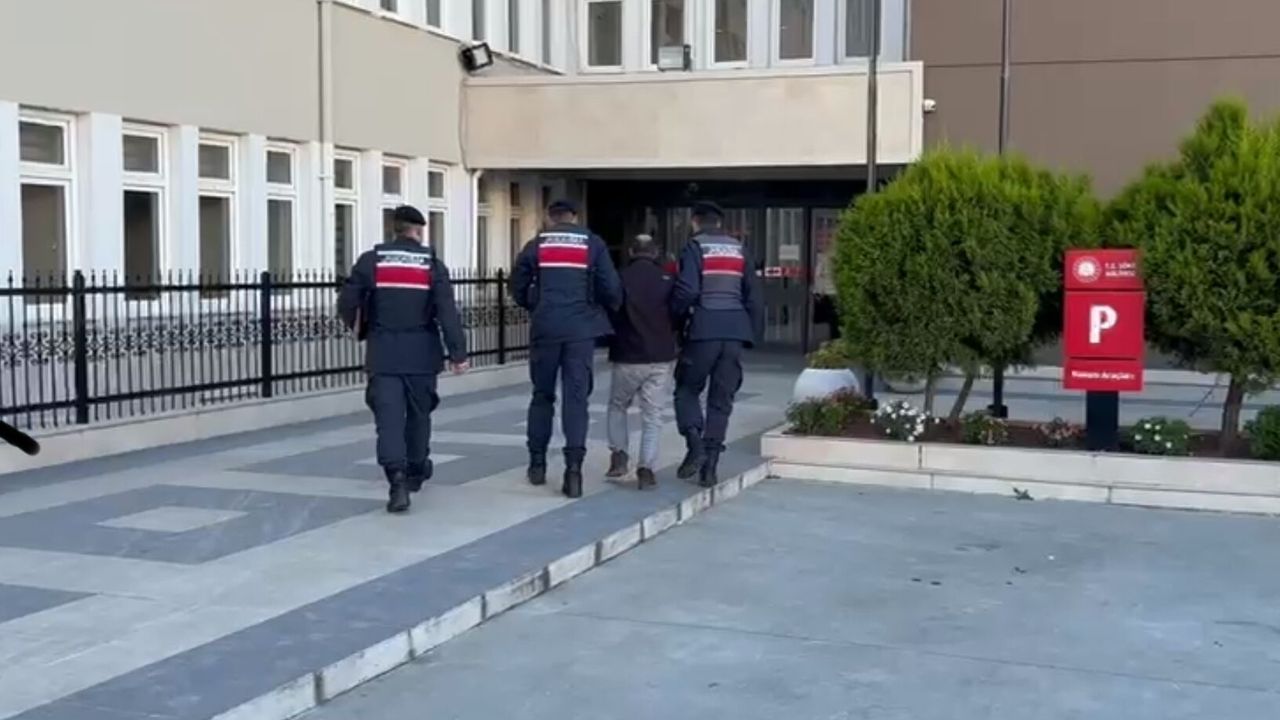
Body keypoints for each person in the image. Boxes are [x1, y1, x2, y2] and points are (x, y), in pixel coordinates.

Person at [339, 205, 468, 514]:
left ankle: (396, 480)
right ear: (419, 230)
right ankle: (417, 467)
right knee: (419, 416)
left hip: (383, 354)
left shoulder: (372, 261)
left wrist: (361, 328)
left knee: (388, 420)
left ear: (394, 229)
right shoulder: (431, 265)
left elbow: (347, 302)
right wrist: (458, 353)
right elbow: (447, 312)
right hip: (422, 355)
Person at [510, 199, 623, 498]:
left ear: (549, 217)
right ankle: (573, 471)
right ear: (574, 217)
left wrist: (535, 305)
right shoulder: (592, 243)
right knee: (576, 399)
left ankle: (537, 464)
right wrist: (600, 309)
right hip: (580, 331)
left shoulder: (537, 244)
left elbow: (517, 284)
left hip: (546, 328)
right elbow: (611, 287)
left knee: (542, 396)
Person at [671, 201, 764, 488]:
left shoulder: (694, 247)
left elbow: (687, 290)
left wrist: (674, 320)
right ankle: (709, 468)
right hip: (734, 332)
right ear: (720, 223)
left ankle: (695, 443)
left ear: (695, 222)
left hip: (703, 330)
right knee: (721, 400)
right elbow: (753, 295)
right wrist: (751, 334)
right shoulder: (739, 249)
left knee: (687, 389)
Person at [605, 234, 678, 490]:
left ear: (631, 252)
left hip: (627, 353)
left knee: (618, 405)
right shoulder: (667, 279)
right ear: (655, 252)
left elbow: (611, 308)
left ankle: (619, 454)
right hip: (660, 355)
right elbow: (677, 310)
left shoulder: (619, 277)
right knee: (653, 415)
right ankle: (646, 468)